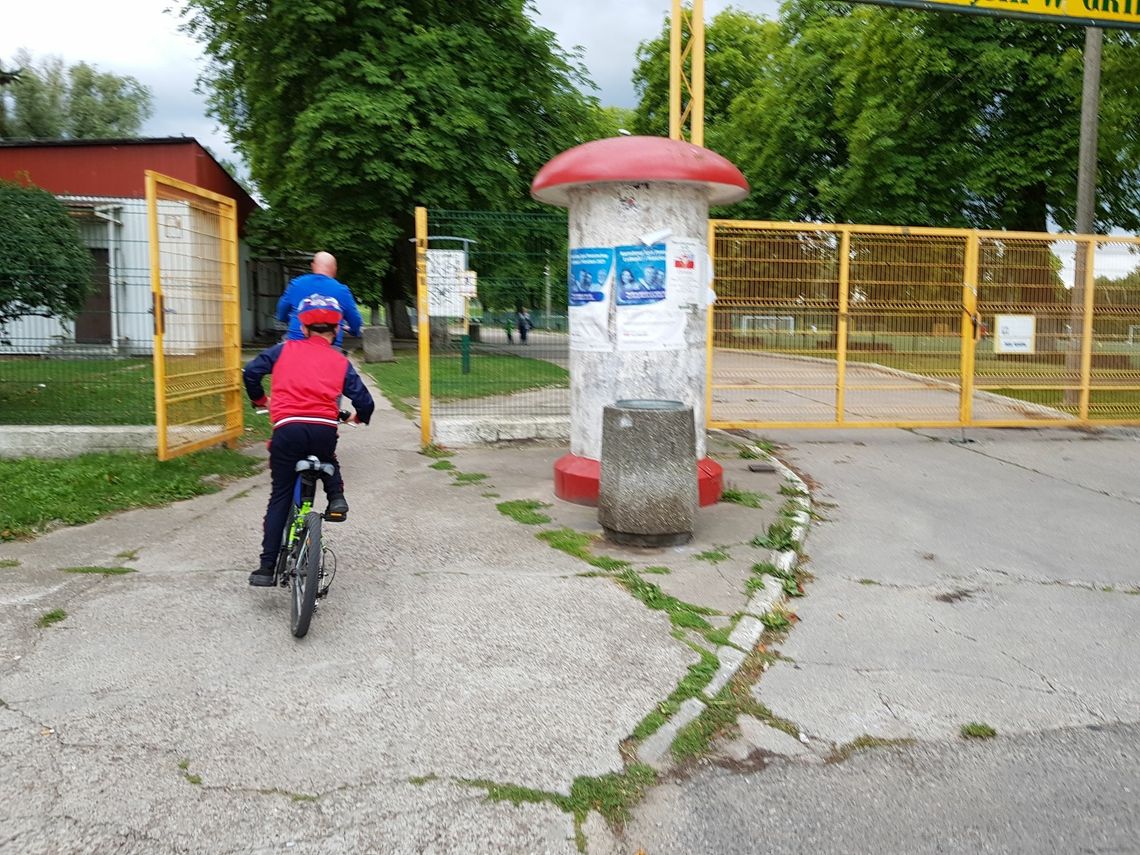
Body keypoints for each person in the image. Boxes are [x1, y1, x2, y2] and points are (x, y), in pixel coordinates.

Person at [243, 295, 375, 587]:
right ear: (337, 331)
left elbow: (251, 372)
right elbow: (364, 399)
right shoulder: (340, 361)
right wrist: (359, 417)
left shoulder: (282, 350)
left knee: (280, 495)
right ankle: (336, 498)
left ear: (303, 329)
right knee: (328, 459)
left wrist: (259, 399)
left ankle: (266, 569)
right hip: (322, 431)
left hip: (287, 429)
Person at [276, 251, 364, 348]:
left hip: (296, 343)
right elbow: (355, 321)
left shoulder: (296, 284)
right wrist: (354, 331)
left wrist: (289, 319)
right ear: (335, 269)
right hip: (329, 346)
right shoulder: (341, 290)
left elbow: (281, 312)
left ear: (313, 266)